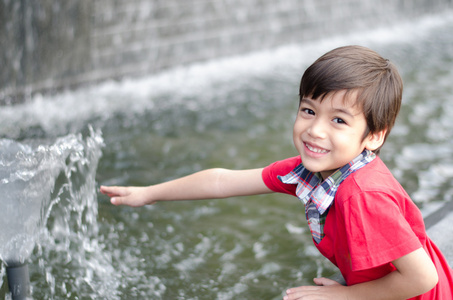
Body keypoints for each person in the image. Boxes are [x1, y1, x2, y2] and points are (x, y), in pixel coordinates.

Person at [100, 45, 453, 299]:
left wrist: (345, 297)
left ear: (374, 136)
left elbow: (422, 279)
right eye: (309, 110)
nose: (315, 130)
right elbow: (224, 181)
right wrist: (149, 193)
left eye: (339, 120)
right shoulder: (313, 173)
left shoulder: (363, 195)